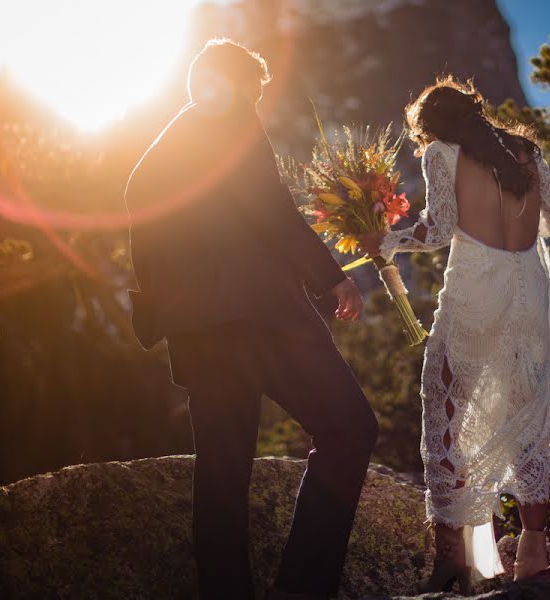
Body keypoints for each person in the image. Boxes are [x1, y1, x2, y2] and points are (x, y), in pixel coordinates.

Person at [124, 39, 378, 600]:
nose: (255, 102)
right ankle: (302, 589)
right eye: (255, 91)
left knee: (221, 474)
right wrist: (332, 275)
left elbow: (141, 227)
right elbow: (270, 208)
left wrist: (175, 310)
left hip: (197, 335)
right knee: (351, 428)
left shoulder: (159, 154)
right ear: (237, 84)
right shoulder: (233, 121)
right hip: (262, 321)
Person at [358, 77, 550, 593]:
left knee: (447, 410)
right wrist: (520, 228)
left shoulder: (441, 153)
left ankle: (453, 561)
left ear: (431, 126)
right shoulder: (525, 151)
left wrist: (385, 241)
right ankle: (533, 553)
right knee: (528, 417)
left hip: (477, 294)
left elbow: (436, 231)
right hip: (528, 292)